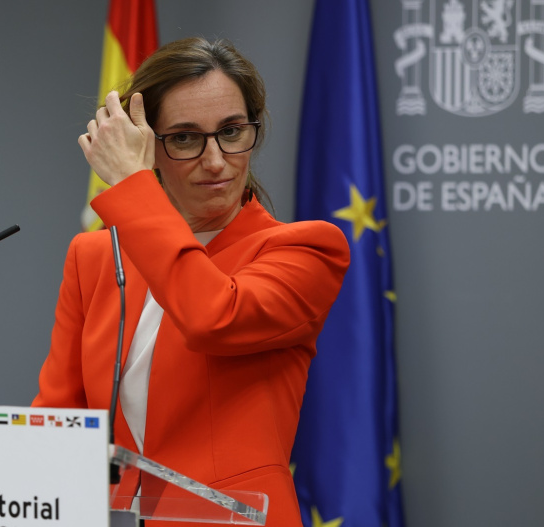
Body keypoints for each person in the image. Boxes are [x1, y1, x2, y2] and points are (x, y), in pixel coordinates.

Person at [32, 37, 349, 526]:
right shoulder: (95, 256)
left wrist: (133, 190)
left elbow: (211, 319)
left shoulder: (305, 249)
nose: (216, 159)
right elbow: (57, 420)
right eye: (184, 137)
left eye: (232, 131)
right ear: (144, 145)